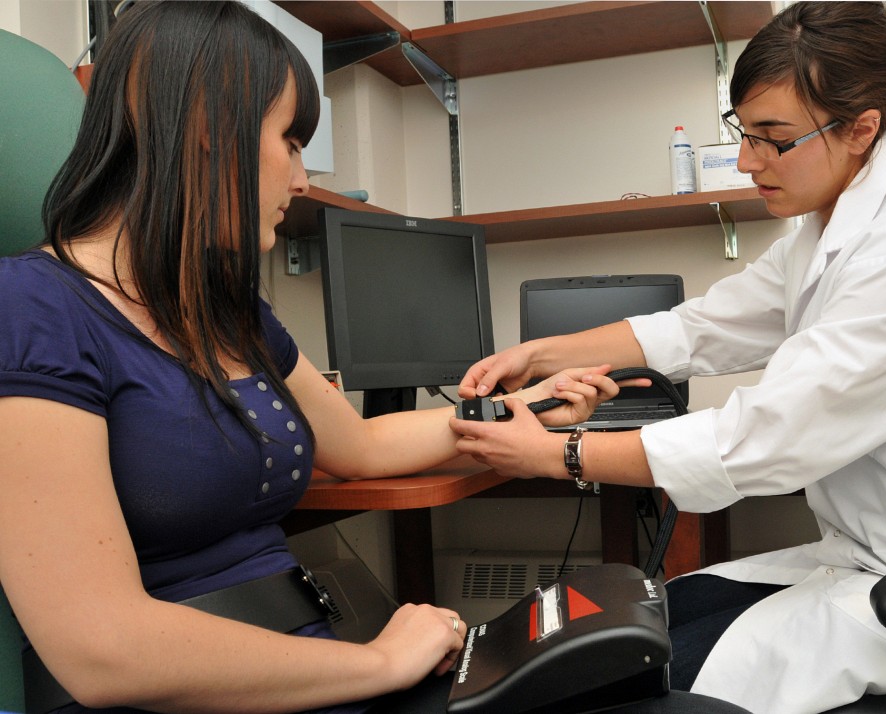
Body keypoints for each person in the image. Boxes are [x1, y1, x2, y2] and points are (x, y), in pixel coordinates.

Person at [0, 3, 621, 712]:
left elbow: (360, 445)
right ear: (207, 130)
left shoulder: (225, 308)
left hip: (310, 666)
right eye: (290, 142)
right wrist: (382, 661)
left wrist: (526, 409)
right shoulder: (31, 309)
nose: (300, 181)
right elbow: (101, 649)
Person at [451, 2, 886, 713]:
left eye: (774, 139)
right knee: (648, 619)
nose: (748, 161)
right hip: (864, 556)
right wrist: (539, 353)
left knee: (641, 678)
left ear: (862, 128)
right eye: (745, 135)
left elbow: (767, 438)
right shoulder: (830, 228)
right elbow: (703, 327)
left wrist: (561, 454)